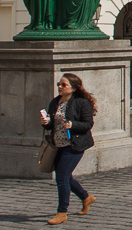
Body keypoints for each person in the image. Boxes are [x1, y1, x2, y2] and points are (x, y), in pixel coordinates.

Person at [41, 73, 97, 225]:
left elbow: (88, 124)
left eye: (63, 85)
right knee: (66, 177)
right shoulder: (55, 102)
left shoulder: (81, 102)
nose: (59, 87)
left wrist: (73, 125)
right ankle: (86, 197)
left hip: (74, 145)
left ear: (73, 88)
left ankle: (62, 212)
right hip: (58, 144)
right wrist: (46, 122)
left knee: (61, 177)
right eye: (59, 84)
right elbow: (51, 124)